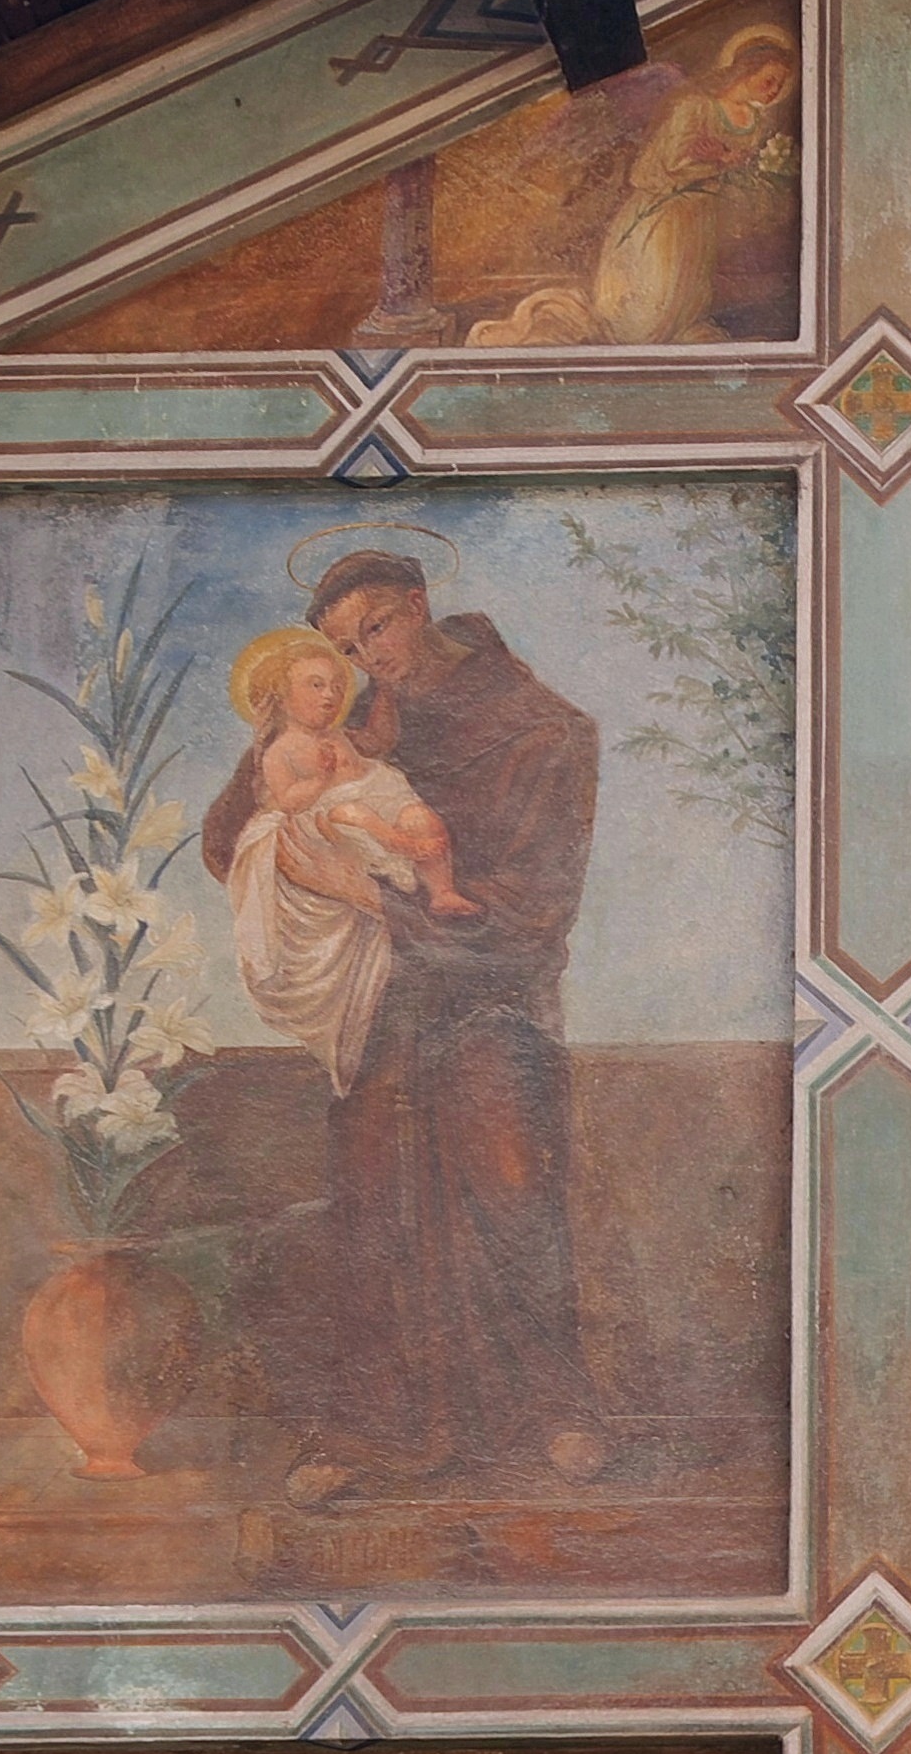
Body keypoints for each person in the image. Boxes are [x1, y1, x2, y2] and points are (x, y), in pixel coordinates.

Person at [202, 549, 608, 1504]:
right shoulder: (326, 717)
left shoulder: (539, 730)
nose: (366, 658)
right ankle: (378, 1428)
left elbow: (534, 905)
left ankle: (555, 1411)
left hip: (490, 997)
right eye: (342, 648)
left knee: (511, 1183)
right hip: (380, 1004)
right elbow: (230, 841)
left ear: (421, 608)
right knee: (377, 1206)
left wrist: (369, 895)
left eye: (377, 629)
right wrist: (278, 738)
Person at [222, 629, 477, 1099]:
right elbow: (288, 800)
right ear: (281, 697)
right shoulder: (282, 749)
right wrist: (318, 780)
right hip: (332, 814)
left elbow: (374, 747)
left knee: (422, 816)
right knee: (353, 814)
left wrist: (380, 694)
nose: (330, 695)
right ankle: (398, 842)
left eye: (335, 686)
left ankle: (441, 889)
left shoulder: (338, 736)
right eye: (315, 686)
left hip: (373, 796)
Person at [466, 27, 801, 347]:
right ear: (746, 69)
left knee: (683, 295)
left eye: (779, 85)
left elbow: (737, 166)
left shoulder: (756, 123)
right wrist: (716, 163)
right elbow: (656, 168)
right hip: (662, 214)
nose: (772, 91)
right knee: (650, 299)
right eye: (770, 80)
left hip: (700, 217)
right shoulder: (694, 107)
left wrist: (728, 163)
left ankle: (670, 331)